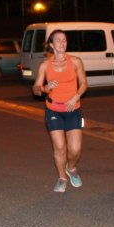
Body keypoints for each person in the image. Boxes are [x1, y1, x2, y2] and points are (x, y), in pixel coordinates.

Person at [33, 29, 88, 193]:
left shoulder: (76, 61)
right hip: (53, 110)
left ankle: (71, 168)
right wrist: (44, 88)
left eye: (64, 40)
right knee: (60, 148)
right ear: (51, 44)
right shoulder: (45, 65)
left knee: (75, 149)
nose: (62, 43)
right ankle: (62, 178)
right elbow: (35, 88)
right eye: (58, 40)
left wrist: (76, 96)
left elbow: (84, 84)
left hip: (73, 108)